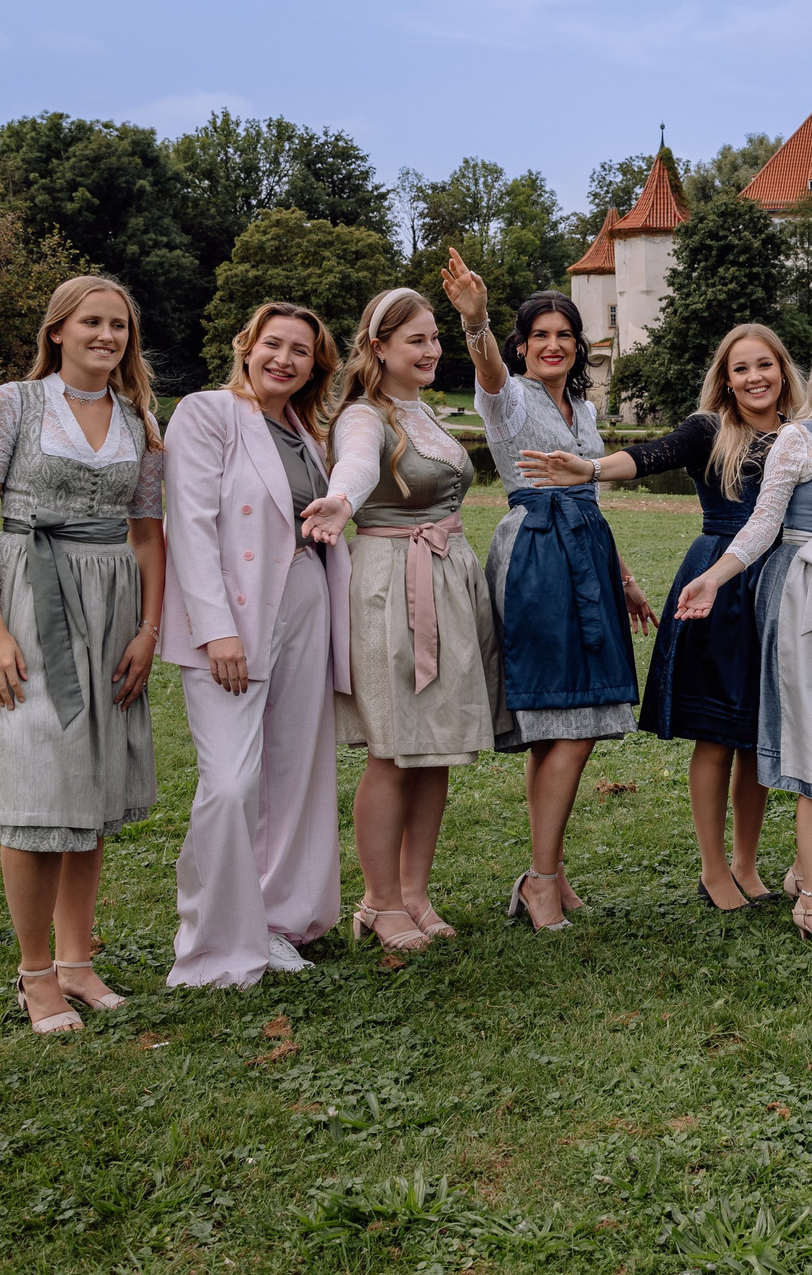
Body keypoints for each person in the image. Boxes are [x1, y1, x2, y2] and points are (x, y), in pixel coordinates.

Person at [521, 323, 798, 911]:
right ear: (726, 379)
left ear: (783, 369)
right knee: (717, 735)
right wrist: (590, 469)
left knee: (759, 735)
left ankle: (747, 865)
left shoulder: (803, 432)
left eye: (765, 365)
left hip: (783, 584)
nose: (755, 378)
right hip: (719, 581)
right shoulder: (709, 429)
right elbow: (648, 457)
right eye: (741, 368)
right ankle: (714, 869)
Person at [0, 276, 167, 1034]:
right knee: (37, 782)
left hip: (112, 604)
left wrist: (149, 629)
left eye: (119, 325)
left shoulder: (140, 420)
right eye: (92, 323)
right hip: (26, 596)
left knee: (92, 784)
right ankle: (35, 972)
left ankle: (78, 961)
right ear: (57, 331)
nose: (107, 336)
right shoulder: (9, 405)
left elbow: (149, 535)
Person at [444, 256, 652, 933]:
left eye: (564, 334)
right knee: (567, 724)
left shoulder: (585, 409)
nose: (554, 345)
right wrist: (475, 319)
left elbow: (591, 499)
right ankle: (539, 881)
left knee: (556, 734)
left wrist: (624, 579)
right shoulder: (507, 399)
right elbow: (487, 368)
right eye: (540, 335)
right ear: (522, 345)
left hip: (588, 550)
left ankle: (549, 875)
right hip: (536, 556)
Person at [674, 324, 812, 947]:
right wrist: (713, 578)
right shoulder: (799, 441)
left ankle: (805, 869)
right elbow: (761, 525)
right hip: (803, 592)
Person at [303, 287, 508, 951]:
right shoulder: (364, 416)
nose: (430, 350)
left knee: (434, 746)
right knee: (393, 750)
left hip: (445, 580)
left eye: (434, 338)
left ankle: (415, 894)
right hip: (392, 584)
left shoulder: (426, 412)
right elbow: (358, 465)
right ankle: (379, 901)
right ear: (378, 347)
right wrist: (341, 501)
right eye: (415, 340)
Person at [162, 302, 351, 988]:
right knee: (230, 782)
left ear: (314, 367)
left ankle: (280, 921)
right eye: (274, 344)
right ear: (248, 346)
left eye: (301, 351)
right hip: (233, 612)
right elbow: (189, 522)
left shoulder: (306, 434)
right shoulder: (207, 413)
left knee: (295, 772)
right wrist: (215, 629)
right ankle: (214, 945)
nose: (284, 359)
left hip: (303, 596)